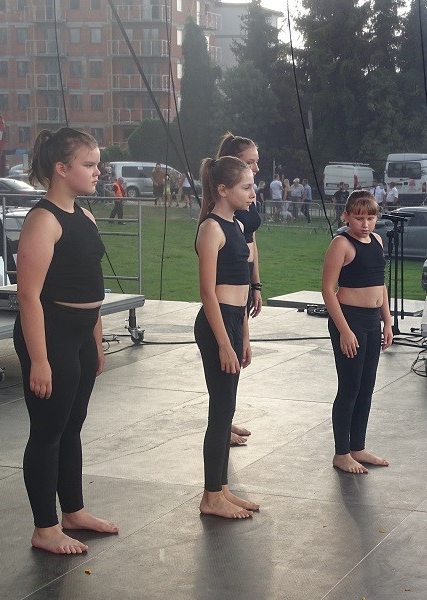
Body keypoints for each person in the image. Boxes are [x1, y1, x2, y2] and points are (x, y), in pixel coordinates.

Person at [15, 127, 119, 554]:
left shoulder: (84, 216)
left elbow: (91, 286)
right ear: (61, 168)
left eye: (97, 164)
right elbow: (28, 295)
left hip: (80, 335)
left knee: (72, 426)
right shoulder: (43, 220)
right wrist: (39, 360)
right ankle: (45, 528)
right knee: (48, 431)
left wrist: (96, 340)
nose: (97, 172)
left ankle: (73, 511)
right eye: (89, 164)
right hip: (51, 335)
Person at [194, 155, 260, 519]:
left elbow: (243, 286)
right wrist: (223, 342)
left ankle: (221, 489)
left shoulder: (236, 224)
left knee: (226, 408)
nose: (253, 193)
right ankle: (210, 496)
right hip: (215, 322)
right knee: (220, 412)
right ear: (223, 189)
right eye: (246, 187)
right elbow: (207, 292)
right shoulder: (212, 228)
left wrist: (244, 336)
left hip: (234, 320)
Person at [322, 190, 393, 474]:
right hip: (349, 319)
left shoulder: (377, 241)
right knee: (350, 387)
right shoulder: (341, 243)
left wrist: (387, 321)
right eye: (359, 218)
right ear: (346, 217)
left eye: (370, 218)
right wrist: (344, 330)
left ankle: (357, 447)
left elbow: (380, 285)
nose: (365, 224)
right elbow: (328, 290)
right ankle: (341, 452)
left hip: (372, 320)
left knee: (366, 386)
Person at [215, 132, 265, 446]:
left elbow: (251, 242)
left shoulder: (247, 197)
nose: (255, 168)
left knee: (238, 359)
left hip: (244, 280)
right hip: (230, 283)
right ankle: (223, 423)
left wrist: (256, 284)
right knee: (227, 362)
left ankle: (226, 418)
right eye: (250, 162)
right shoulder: (224, 208)